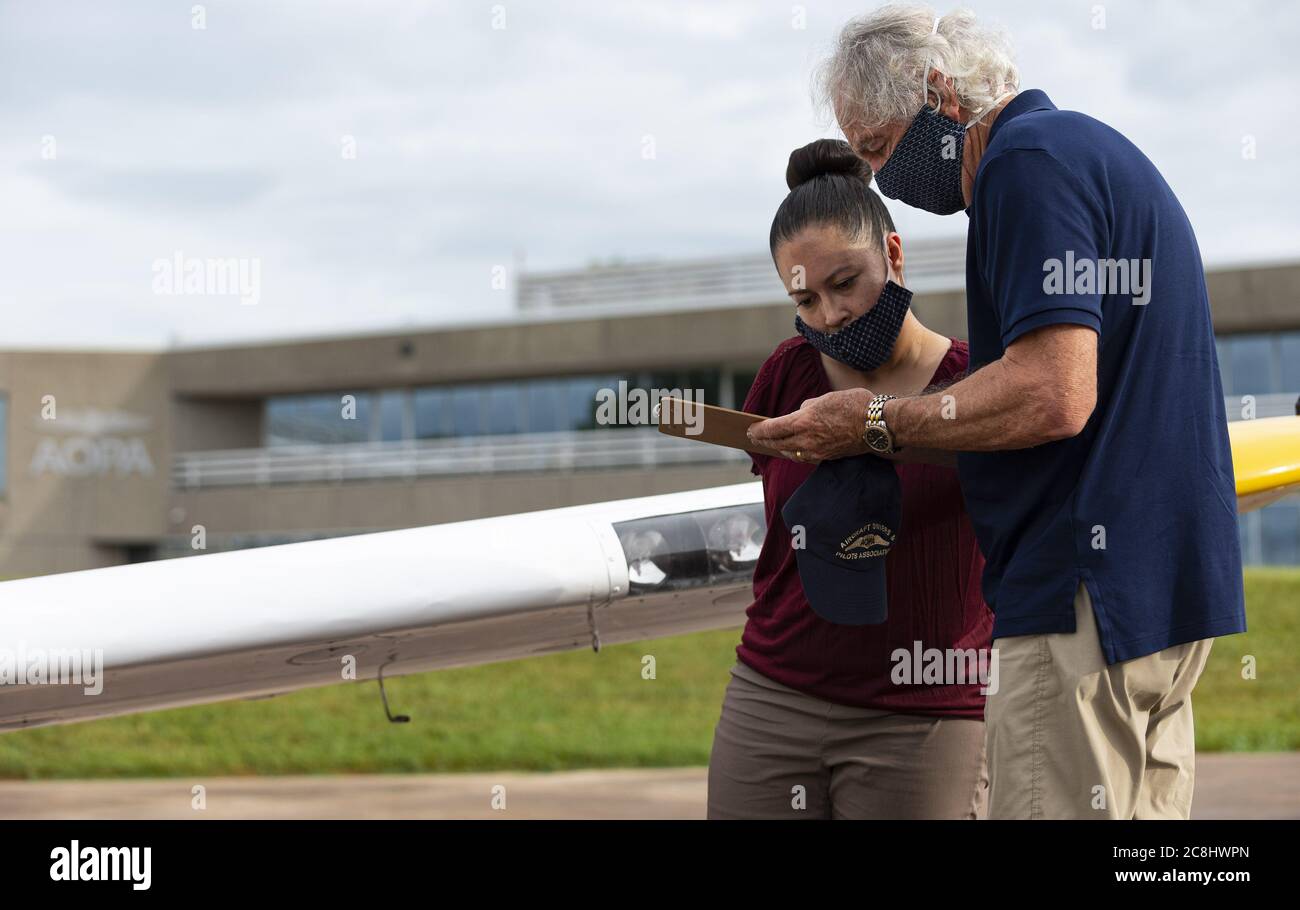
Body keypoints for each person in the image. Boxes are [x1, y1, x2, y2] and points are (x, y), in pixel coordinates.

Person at [747, 4, 1246, 819]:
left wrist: (874, 421)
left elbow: (1052, 390)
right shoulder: (1091, 151)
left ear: (941, 97)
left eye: (878, 148)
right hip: (1166, 596)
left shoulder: (1026, 166)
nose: (878, 178)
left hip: (1082, 599)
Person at [706, 139, 993, 819]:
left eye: (844, 284)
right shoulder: (786, 372)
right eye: (804, 298)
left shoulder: (978, 382)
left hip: (926, 709)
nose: (829, 316)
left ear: (893, 254)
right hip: (773, 693)